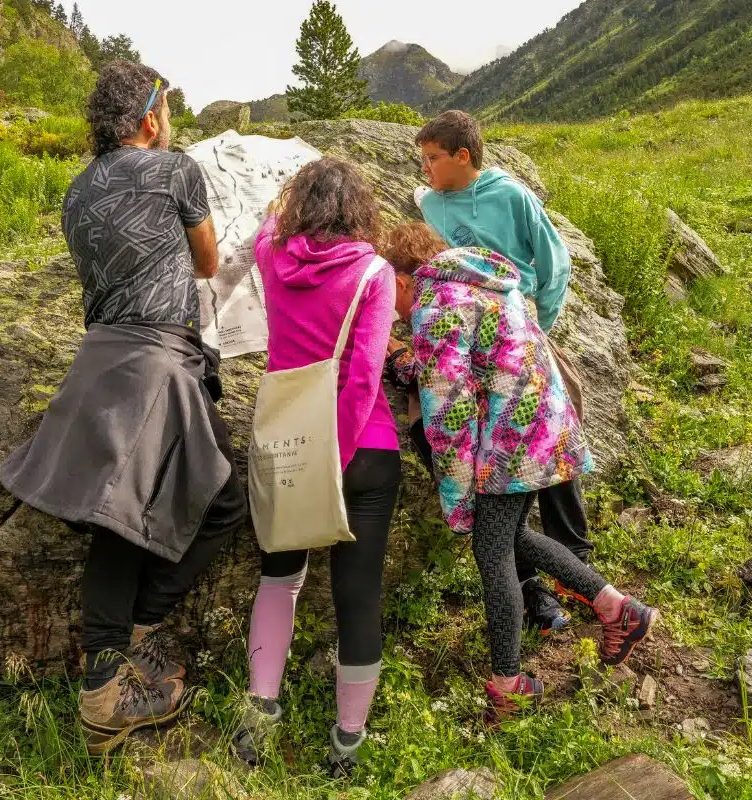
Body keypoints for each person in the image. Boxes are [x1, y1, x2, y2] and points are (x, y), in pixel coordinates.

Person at [0, 61, 245, 755]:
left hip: (101, 356)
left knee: (117, 513)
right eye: (163, 111)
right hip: (158, 362)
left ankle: (120, 660)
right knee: (213, 501)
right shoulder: (177, 170)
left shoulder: (77, 191)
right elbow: (204, 262)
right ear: (149, 117)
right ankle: (112, 682)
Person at [381, 223, 658, 721]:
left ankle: (509, 684)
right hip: (542, 428)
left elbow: (448, 411)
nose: (391, 308)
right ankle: (619, 608)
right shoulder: (479, 284)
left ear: (402, 280)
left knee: (493, 553)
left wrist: (457, 491)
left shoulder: (434, 307)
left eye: (388, 291)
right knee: (513, 540)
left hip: (510, 443)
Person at [233, 158, 400, 778]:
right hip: (365, 451)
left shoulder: (271, 259)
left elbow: (264, 226)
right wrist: (341, 452)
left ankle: (259, 717)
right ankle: (347, 744)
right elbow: (363, 377)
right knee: (357, 596)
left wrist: (285, 207)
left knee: (279, 580)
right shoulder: (374, 274)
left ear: (299, 205)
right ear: (361, 210)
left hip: (286, 445)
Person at [410, 109, 593, 634]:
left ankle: (575, 561)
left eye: (432, 158)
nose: (425, 169)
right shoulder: (430, 206)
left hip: (520, 328)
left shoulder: (510, 196)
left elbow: (554, 261)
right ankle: (532, 587)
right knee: (492, 455)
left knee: (550, 436)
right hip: (472, 340)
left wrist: (540, 321)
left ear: (462, 156)